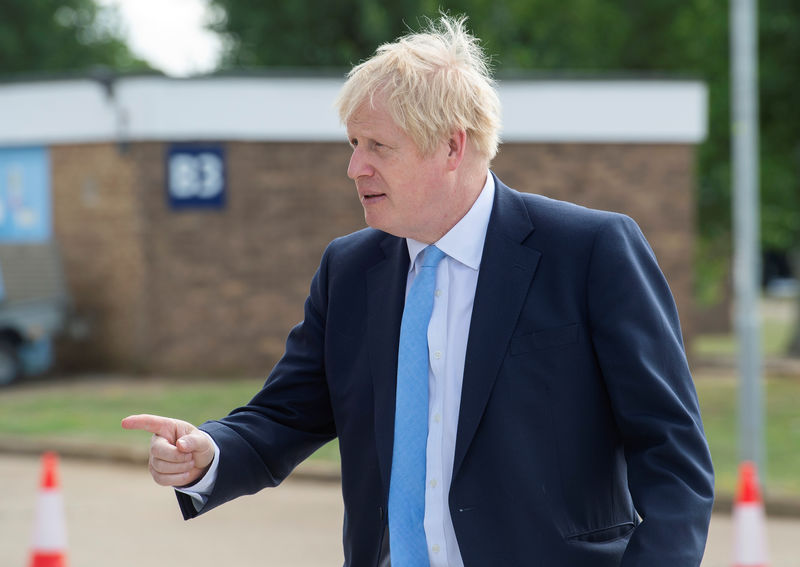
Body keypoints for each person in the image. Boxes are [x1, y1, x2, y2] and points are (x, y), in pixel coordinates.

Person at [123, 14, 714, 567]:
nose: (355, 168)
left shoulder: (589, 251)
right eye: (353, 144)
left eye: (378, 147)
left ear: (452, 147)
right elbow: (287, 412)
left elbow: (671, 453)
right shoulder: (348, 269)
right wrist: (210, 452)